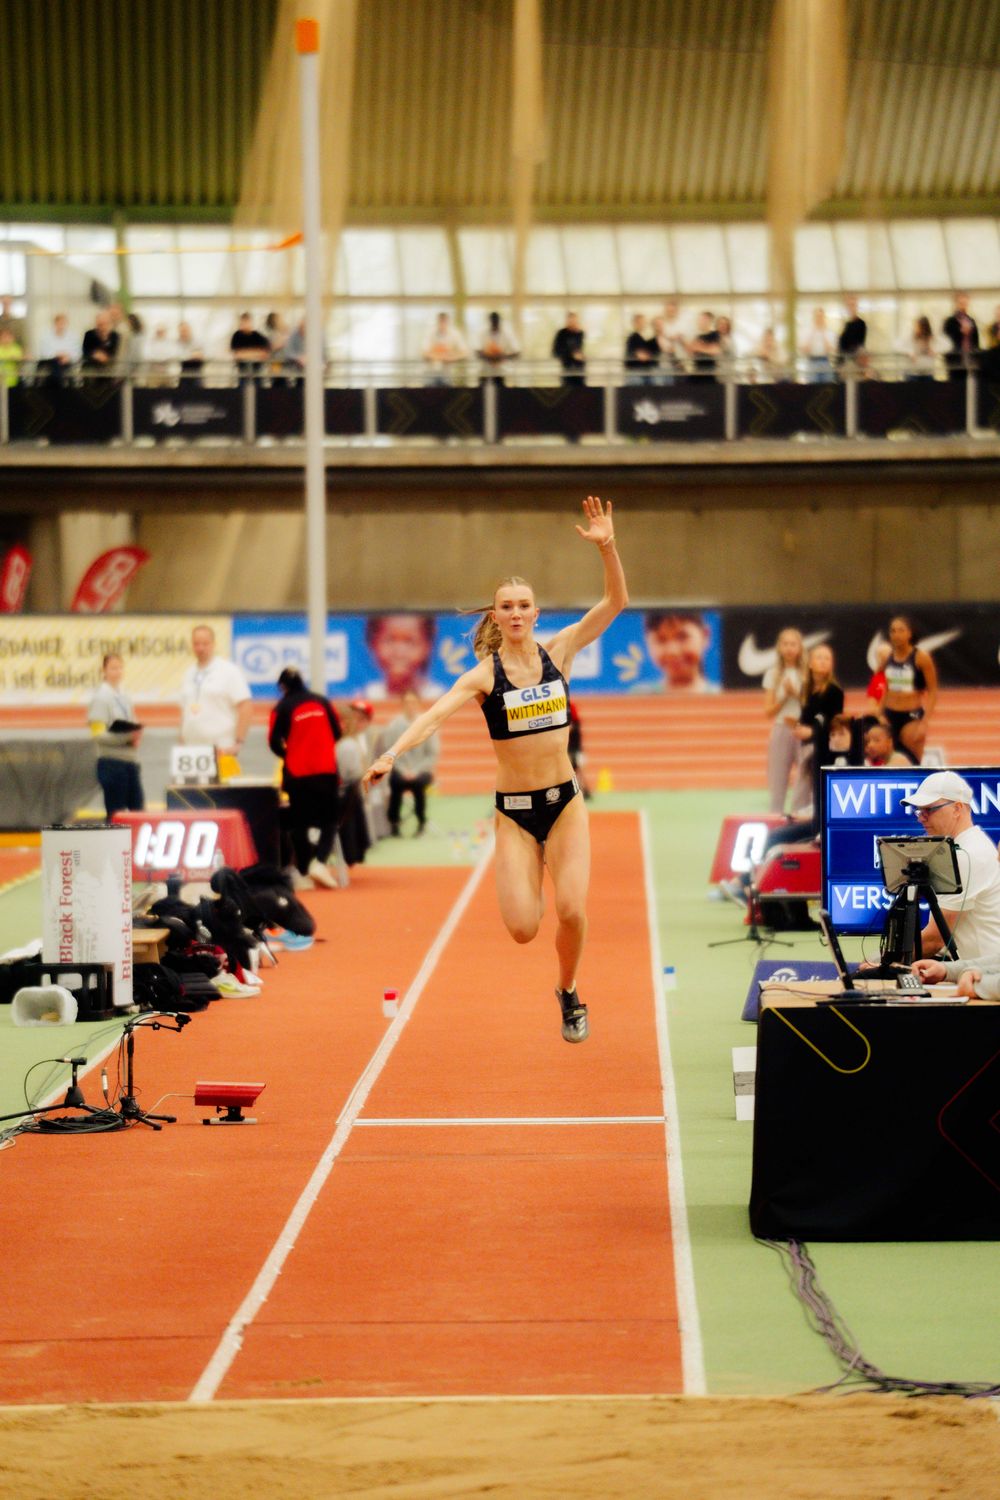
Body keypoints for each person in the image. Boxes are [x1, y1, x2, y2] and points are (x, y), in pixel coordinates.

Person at [362, 496, 627, 1044]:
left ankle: (568, 990)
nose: (515, 612)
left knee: (573, 910)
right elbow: (433, 716)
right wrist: (392, 753)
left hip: (564, 804)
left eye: (523, 604)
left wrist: (607, 547)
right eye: (506, 606)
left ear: (535, 613)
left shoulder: (561, 651)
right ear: (496, 616)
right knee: (523, 929)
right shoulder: (484, 676)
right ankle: (533, 894)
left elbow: (615, 601)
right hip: (515, 814)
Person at [900, 772, 1000, 959]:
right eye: (919, 811)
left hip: (981, 971)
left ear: (957, 809)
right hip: (969, 966)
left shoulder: (967, 855)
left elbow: (934, 940)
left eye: (929, 809)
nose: (921, 818)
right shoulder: (966, 847)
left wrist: (882, 962)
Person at [268, 667, 342, 890]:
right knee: (330, 819)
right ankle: (319, 861)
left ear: (283, 687)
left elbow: (273, 741)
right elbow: (338, 732)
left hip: (297, 774)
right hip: (326, 771)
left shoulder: (281, 708)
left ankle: (303, 872)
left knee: (299, 823)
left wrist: (289, 753)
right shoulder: (323, 702)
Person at [179, 624, 253, 777]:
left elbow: (245, 705)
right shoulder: (188, 674)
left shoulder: (228, 671)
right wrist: (182, 739)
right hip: (192, 753)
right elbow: (185, 710)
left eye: (205, 643)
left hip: (222, 750)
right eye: (196, 644)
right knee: (193, 792)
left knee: (225, 791)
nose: (200, 648)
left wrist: (239, 742)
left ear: (213, 644)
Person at [874, 614, 938, 765]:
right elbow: (881, 686)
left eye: (901, 630)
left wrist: (924, 723)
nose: (896, 634)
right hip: (889, 714)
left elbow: (933, 692)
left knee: (912, 761)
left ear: (910, 633)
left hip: (911, 716)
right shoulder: (887, 658)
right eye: (893, 631)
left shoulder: (921, 658)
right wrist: (879, 713)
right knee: (888, 760)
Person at [88, 653, 145, 818]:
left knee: (138, 812)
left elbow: (133, 721)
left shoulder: (125, 696)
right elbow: (98, 735)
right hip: (112, 763)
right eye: (113, 668)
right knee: (116, 814)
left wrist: (137, 734)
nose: (117, 672)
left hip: (130, 762)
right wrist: (126, 738)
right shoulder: (100, 698)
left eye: (120, 668)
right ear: (104, 671)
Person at [793, 643, 844, 820]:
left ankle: (817, 817)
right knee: (802, 784)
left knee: (816, 784)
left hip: (823, 746)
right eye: (819, 658)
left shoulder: (834, 691)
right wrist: (799, 727)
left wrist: (812, 732)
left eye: (827, 658)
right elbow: (806, 716)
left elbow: (833, 722)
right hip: (806, 744)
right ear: (810, 663)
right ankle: (800, 815)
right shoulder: (805, 689)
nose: (823, 662)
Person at [763, 627, 807, 814]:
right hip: (781, 729)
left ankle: (802, 820)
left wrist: (796, 694)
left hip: (803, 729)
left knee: (805, 781)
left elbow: (812, 705)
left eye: (793, 644)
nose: (789, 648)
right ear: (780, 648)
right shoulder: (772, 674)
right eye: (785, 644)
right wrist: (784, 697)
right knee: (778, 780)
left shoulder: (808, 674)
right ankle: (776, 818)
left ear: (800, 648)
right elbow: (768, 711)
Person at [383, 690, 439, 836]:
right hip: (400, 769)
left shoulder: (427, 724)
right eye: (407, 702)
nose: (410, 705)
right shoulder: (394, 726)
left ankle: (421, 821)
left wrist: (415, 771)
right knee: (395, 782)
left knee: (418, 784)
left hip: (421, 770)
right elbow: (390, 751)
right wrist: (403, 770)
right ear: (402, 704)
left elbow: (432, 754)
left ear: (418, 703)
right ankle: (394, 822)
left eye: (413, 702)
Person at [364, 613, 447, 700]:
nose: (399, 653)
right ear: (373, 643)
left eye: (410, 641)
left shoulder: (439, 699)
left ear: (427, 646)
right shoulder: (367, 697)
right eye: (390, 640)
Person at [642, 610, 716, 693]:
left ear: (705, 636)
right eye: (661, 640)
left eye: (682, 637)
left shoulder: (721, 694)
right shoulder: (639, 696)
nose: (672, 652)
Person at [422, 312, 467, 385]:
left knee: (447, 390)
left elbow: (464, 352)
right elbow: (424, 352)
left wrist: (451, 357)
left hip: (448, 374)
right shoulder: (430, 332)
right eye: (440, 321)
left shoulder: (454, 333)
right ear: (437, 321)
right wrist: (441, 356)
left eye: (444, 321)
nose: (442, 324)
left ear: (448, 322)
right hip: (430, 373)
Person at [942, 292, 979, 381]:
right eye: (961, 303)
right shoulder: (950, 321)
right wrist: (960, 331)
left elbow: (976, 339)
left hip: (969, 357)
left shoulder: (971, 320)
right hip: (955, 358)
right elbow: (946, 339)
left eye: (965, 303)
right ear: (956, 304)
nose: (963, 306)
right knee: (955, 382)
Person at [476, 311, 519, 384]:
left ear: (499, 321)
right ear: (489, 322)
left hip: (502, 372)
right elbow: (477, 351)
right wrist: (488, 356)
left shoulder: (507, 334)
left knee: (501, 390)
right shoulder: (482, 333)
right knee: (482, 390)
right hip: (484, 371)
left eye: (496, 321)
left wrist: (503, 357)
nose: (494, 324)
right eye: (492, 321)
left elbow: (517, 352)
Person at [36, 314, 79, 382]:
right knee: (56, 365)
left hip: (66, 362)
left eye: (63, 323)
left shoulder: (72, 336)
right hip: (50, 361)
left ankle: (54, 385)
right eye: (59, 323)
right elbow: (44, 352)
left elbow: (76, 352)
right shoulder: (46, 335)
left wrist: (67, 357)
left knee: (59, 368)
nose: (61, 325)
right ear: (55, 323)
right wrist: (57, 355)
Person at [800, 307, 833, 382]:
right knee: (812, 386)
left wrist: (823, 332)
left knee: (827, 386)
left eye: (821, 316)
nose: (819, 319)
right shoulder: (806, 331)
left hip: (825, 362)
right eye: (817, 316)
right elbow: (805, 350)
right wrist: (814, 331)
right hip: (812, 362)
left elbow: (829, 350)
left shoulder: (829, 332)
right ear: (814, 318)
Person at [552, 312, 586, 385]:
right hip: (567, 368)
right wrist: (572, 354)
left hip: (579, 370)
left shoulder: (580, 333)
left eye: (575, 320)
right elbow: (556, 351)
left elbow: (579, 349)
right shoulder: (561, 333)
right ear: (567, 321)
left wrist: (579, 356)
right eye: (571, 320)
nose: (573, 323)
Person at [624, 314, 656, 384]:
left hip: (644, 371)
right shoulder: (633, 338)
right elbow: (641, 356)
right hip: (636, 372)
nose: (643, 324)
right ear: (635, 323)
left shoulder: (642, 339)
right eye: (641, 322)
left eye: (644, 322)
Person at [837, 295, 867, 364]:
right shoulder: (847, 324)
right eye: (848, 305)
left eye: (852, 305)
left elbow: (859, 345)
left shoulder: (861, 324)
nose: (850, 308)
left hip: (853, 361)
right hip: (844, 361)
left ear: (856, 306)